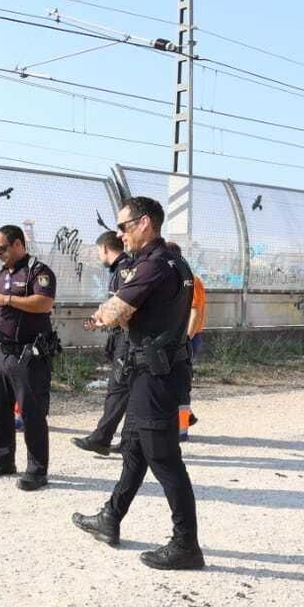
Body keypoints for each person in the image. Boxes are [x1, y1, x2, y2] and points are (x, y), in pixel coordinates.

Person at [72, 197, 205, 571]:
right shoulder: (173, 262)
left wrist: (101, 316)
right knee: (134, 448)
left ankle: (186, 544)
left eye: (124, 226)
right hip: (153, 372)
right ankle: (111, 517)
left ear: (144, 223)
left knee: (163, 459)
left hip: (156, 377)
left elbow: (115, 312)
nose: (120, 234)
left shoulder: (153, 266)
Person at [0, 225, 59, 491]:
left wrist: (7, 299)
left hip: (29, 355)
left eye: (2, 248)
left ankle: (36, 470)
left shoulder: (37, 271)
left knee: (32, 413)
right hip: (2, 353)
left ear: (19, 244)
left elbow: (44, 303)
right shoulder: (0, 275)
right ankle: (4, 459)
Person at [72, 231, 133, 458]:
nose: (99, 256)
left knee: (118, 388)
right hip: (123, 335)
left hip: (126, 338)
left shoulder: (125, 269)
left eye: (99, 251)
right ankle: (130, 441)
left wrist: (102, 318)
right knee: (130, 390)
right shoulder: (121, 269)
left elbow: (125, 306)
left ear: (105, 248)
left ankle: (101, 438)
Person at [164, 241, 207, 441]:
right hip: (177, 338)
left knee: (181, 385)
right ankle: (185, 419)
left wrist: (187, 339)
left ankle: (182, 429)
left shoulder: (191, 280)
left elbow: (195, 311)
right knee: (173, 383)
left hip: (188, 338)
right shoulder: (177, 279)